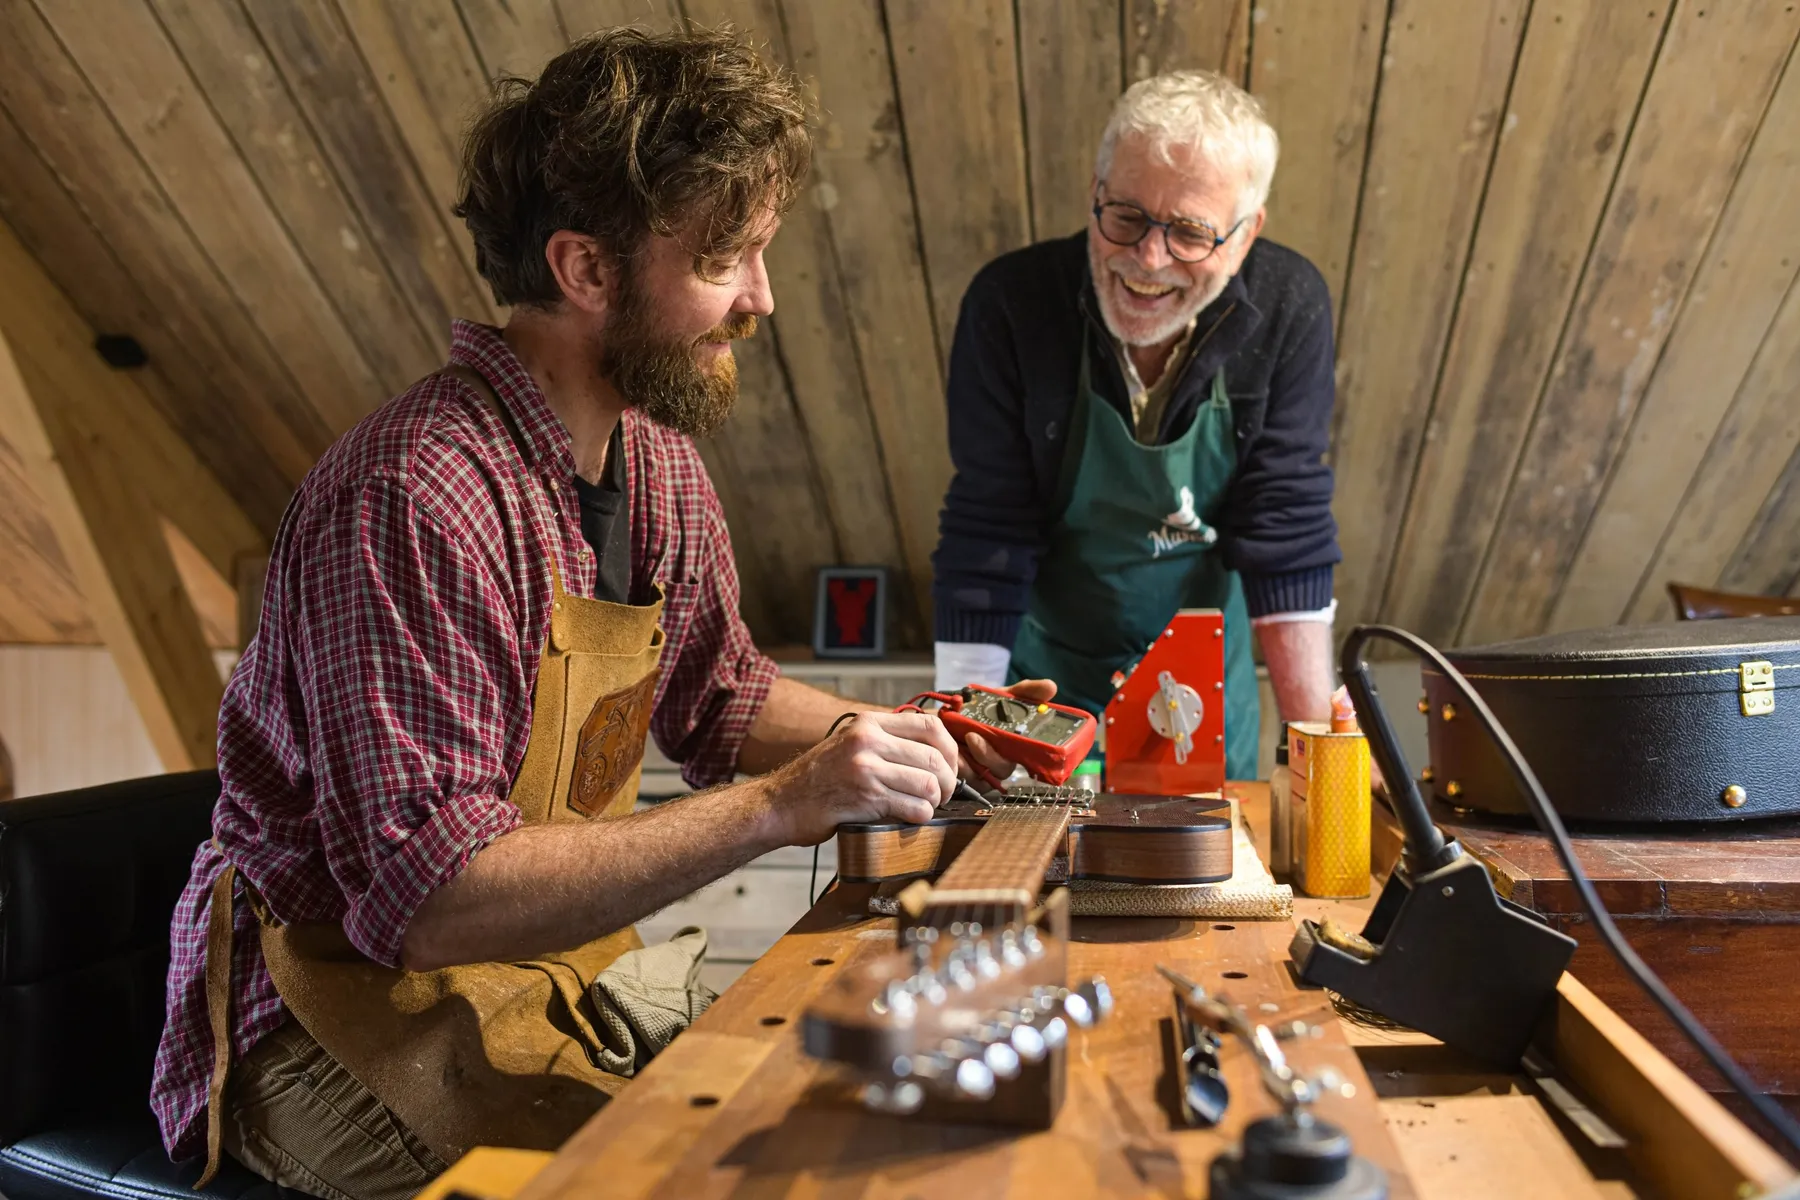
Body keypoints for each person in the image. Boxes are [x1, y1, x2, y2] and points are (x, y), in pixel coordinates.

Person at [150, 29, 1043, 1200]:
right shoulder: (415, 497)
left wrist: (926, 734)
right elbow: (428, 902)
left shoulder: (652, 458)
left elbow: (722, 694)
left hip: (529, 974)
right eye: (729, 259)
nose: (761, 301)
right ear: (585, 269)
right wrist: (786, 805)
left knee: (800, 1130)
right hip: (332, 1019)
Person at [932, 70, 1341, 777]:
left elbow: (1285, 522)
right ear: (1095, 192)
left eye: (1189, 234)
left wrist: (1320, 745)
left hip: (1204, 694)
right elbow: (990, 528)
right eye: (1124, 217)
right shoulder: (1012, 304)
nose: (1148, 260)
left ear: (1246, 237)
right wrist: (964, 730)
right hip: (1044, 690)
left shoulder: (1288, 306)